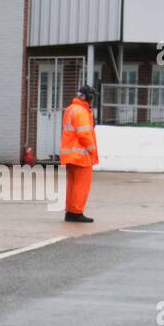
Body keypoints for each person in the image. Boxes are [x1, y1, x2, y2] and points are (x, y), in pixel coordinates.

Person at [60, 85, 99, 223]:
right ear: (88, 97)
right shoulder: (81, 111)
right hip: (81, 155)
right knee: (81, 185)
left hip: (70, 155)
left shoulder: (70, 109)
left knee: (72, 184)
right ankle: (76, 212)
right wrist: (92, 149)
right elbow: (84, 134)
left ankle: (70, 212)